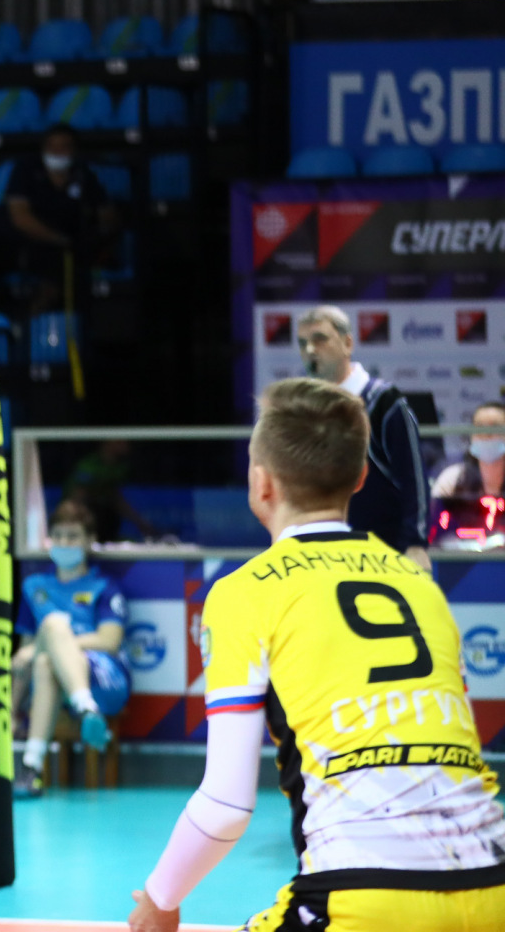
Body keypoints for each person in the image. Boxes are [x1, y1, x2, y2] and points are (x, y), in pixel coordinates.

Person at [129, 377, 505, 932]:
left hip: (362, 893)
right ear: (360, 478)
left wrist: (160, 899)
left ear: (261, 484)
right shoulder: (420, 586)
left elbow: (226, 806)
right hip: (495, 884)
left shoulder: (245, 593)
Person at [295, 305, 430, 566]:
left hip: (384, 553)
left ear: (348, 343)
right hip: (322, 556)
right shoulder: (302, 408)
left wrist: (416, 543)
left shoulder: (384, 402)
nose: (310, 349)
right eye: (302, 343)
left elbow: (414, 478)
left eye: (319, 339)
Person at [10, 500, 127, 798]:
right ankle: (33, 765)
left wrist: (55, 640)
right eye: (58, 536)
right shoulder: (34, 587)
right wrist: (11, 709)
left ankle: (85, 707)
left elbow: (109, 640)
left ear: (89, 540)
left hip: (104, 678)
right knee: (44, 663)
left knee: (53, 627)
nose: (64, 543)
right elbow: (25, 655)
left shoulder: (104, 585)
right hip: (52, 679)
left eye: (73, 536)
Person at [4, 126, 118, 302]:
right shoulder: (26, 170)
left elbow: (107, 214)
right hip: (30, 243)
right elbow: (21, 218)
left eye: (64, 146)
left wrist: (98, 235)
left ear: (74, 150)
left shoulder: (83, 174)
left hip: (72, 248)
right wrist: (60, 240)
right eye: (51, 146)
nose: (57, 152)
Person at [430, 400, 505, 547]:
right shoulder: (452, 479)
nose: (486, 434)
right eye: (479, 427)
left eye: (495, 427)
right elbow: (432, 531)